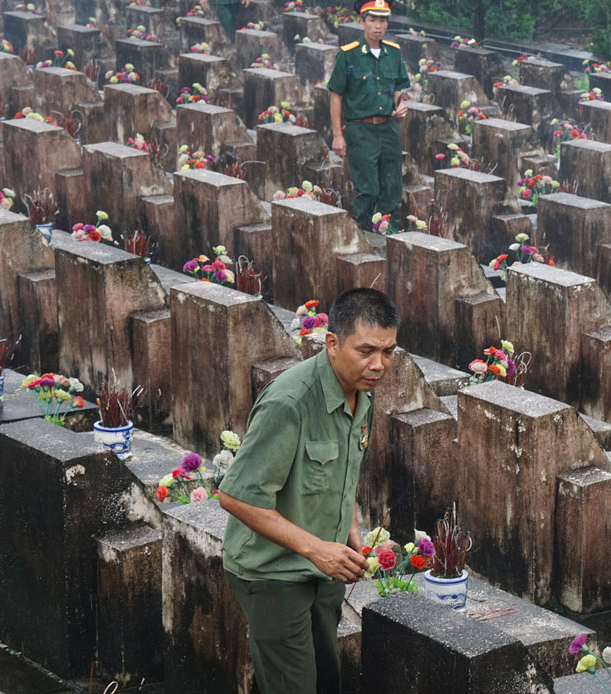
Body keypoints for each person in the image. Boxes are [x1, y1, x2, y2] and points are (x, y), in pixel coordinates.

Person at [218, 288, 399, 694]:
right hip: (272, 573)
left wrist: (350, 527)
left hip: (323, 568)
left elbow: (343, 468)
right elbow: (235, 496)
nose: (378, 365)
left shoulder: (361, 393)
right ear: (332, 343)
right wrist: (318, 549)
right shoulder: (290, 402)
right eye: (367, 350)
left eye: (388, 352)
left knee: (325, 681)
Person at [327, 0, 410, 232]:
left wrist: (400, 104)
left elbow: (398, 88)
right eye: (372, 20)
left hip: (389, 128)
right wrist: (337, 135)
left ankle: (388, 236)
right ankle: (362, 234)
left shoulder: (393, 53)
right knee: (368, 189)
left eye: (382, 20)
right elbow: (336, 96)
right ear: (362, 21)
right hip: (360, 130)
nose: (378, 26)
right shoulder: (348, 55)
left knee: (392, 188)